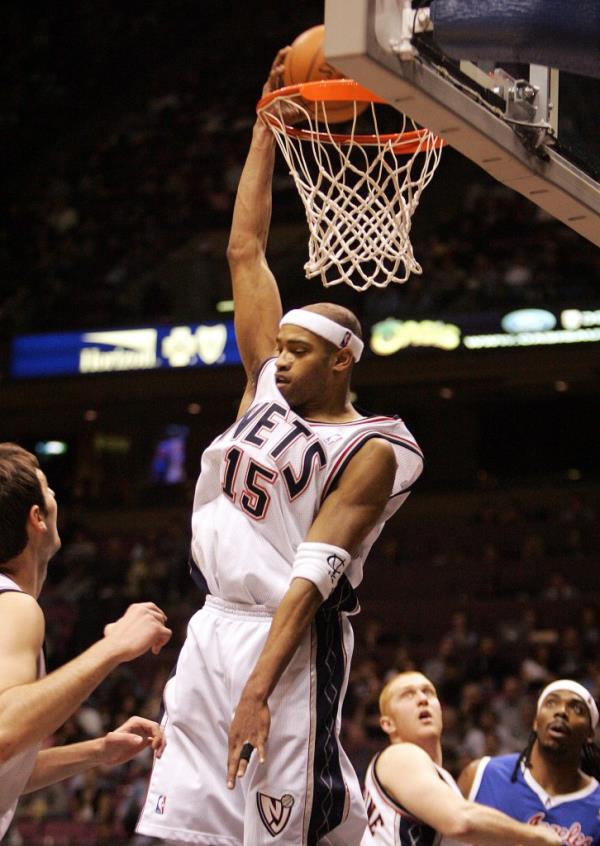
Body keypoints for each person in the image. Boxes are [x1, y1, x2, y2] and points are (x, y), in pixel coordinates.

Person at [136, 49, 424, 846]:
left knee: (285, 832)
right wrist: (267, 129)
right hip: (213, 625)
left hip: (287, 641)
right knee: (179, 831)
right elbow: (245, 253)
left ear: (343, 360)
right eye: (280, 345)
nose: (279, 358)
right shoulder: (265, 386)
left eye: (300, 349)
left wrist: (258, 689)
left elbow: (311, 578)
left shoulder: (379, 446)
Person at [0, 442, 173, 840]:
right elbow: (6, 734)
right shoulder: (14, 607)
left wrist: (97, 752)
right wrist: (114, 647)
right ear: (36, 518)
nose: (57, 494)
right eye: (47, 488)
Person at [361, 671, 562, 846]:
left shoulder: (438, 783)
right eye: (408, 695)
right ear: (388, 724)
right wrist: (535, 835)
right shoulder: (399, 755)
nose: (422, 699)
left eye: (428, 692)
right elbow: (460, 820)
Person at [458, 679, 600, 845]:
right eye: (551, 702)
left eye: (577, 708)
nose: (561, 711)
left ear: (590, 734)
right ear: (535, 722)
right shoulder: (482, 774)